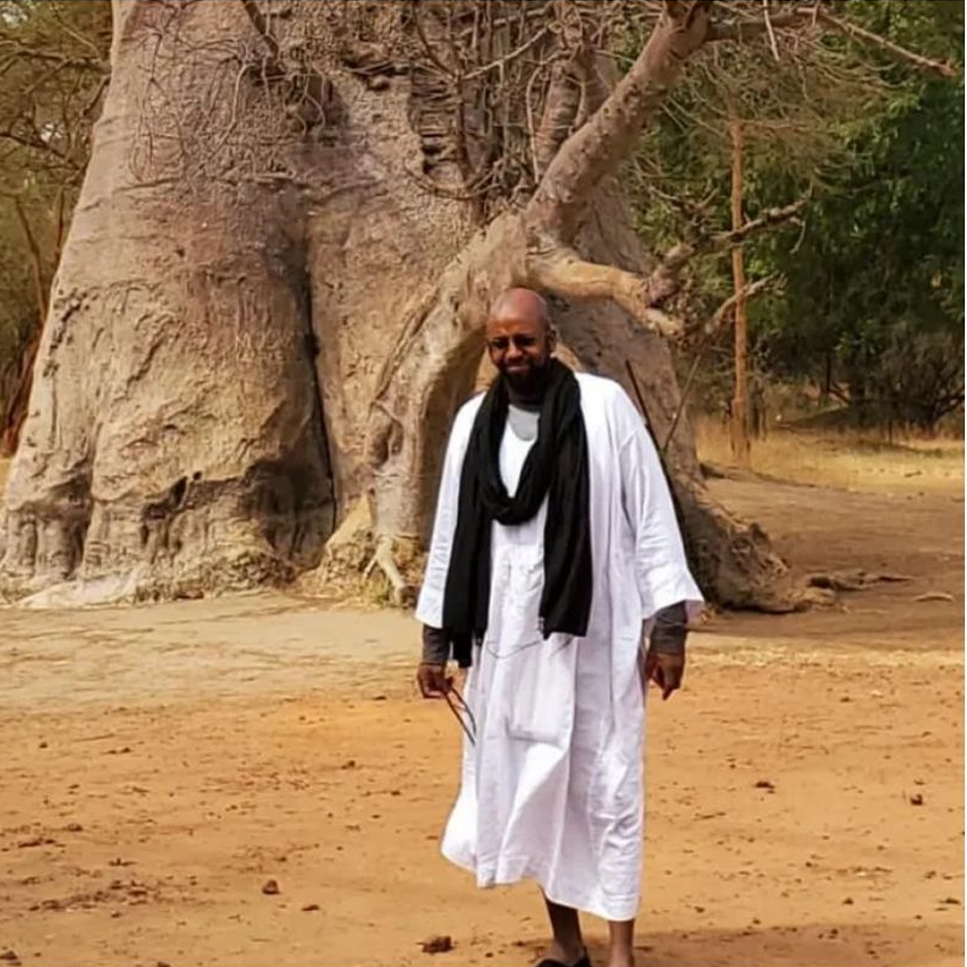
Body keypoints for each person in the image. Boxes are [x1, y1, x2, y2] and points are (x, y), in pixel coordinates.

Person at [415, 287, 702, 967]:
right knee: (530, 784)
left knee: (606, 784)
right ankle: (567, 942)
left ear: (550, 339)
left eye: (524, 340)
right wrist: (435, 641)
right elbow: (451, 533)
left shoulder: (603, 409)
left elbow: (652, 517)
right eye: (499, 343)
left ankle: (621, 949)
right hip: (507, 643)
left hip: (594, 638)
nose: (513, 354)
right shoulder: (471, 425)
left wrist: (667, 633)